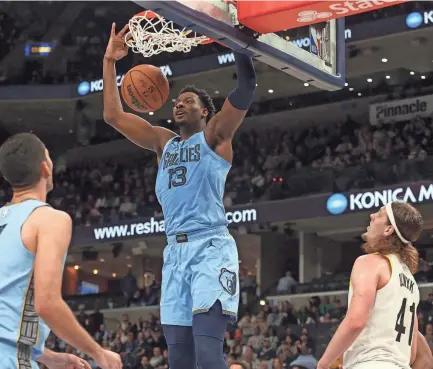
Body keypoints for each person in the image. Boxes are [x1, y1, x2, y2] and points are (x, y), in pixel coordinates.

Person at [103, 23, 256, 369]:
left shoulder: (216, 137)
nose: (179, 104)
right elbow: (112, 115)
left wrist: (238, 43)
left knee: (206, 353)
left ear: (205, 112)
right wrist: (110, 61)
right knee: (180, 361)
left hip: (210, 249)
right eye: (177, 101)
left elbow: (246, 88)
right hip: (174, 254)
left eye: (188, 101)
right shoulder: (163, 143)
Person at [0, 133, 122, 369]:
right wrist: (98, 353)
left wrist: (50, 357)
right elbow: (46, 303)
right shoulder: (49, 219)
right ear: (45, 168)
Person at [318, 201, 423, 369]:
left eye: (380, 214)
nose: (372, 216)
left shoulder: (370, 262)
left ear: (389, 230)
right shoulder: (411, 282)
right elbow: (411, 352)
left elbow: (356, 321)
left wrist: (324, 364)